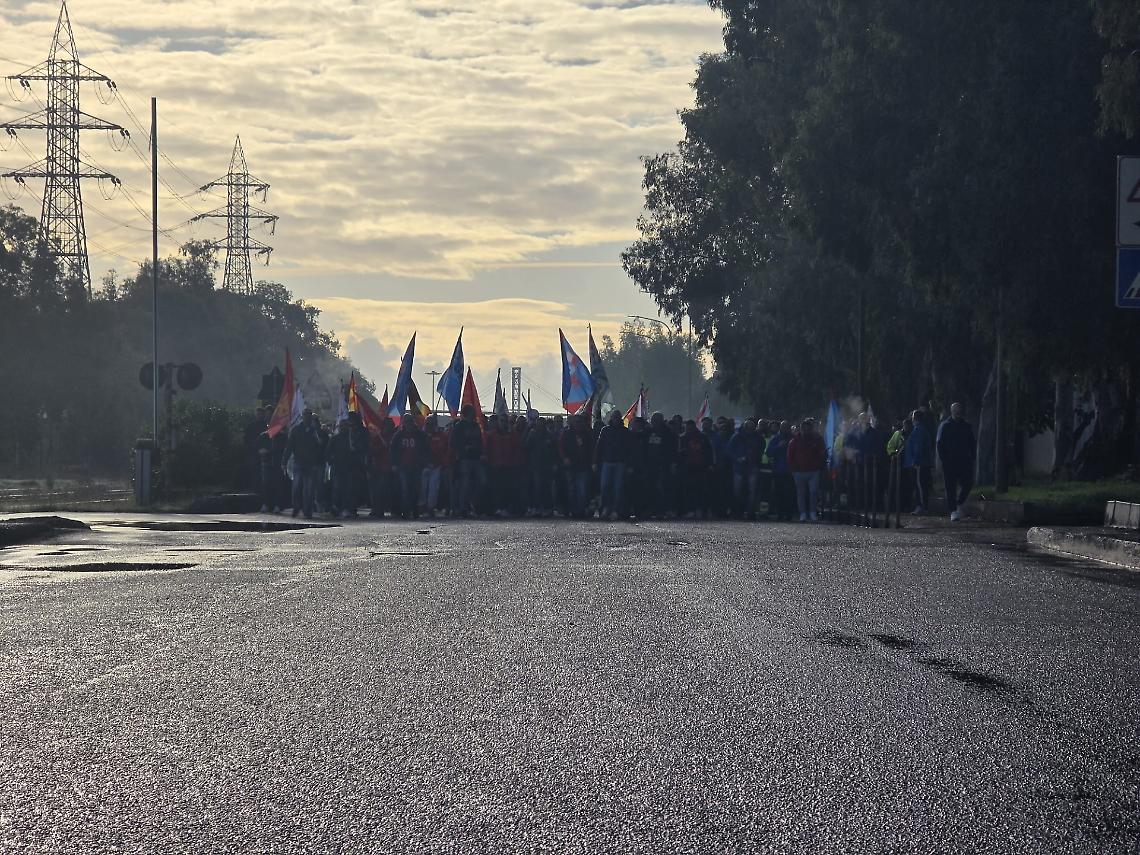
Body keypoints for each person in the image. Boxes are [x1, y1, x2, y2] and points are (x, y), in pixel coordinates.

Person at [937, 402, 976, 521]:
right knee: (950, 486)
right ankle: (953, 510)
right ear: (952, 411)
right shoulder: (945, 426)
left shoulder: (966, 426)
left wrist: (973, 457)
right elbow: (939, 443)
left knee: (968, 482)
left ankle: (959, 503)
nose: (958, 413)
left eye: (959, 411)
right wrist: (944, 458)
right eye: (955, 411)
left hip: (964, 460)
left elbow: (972, 442)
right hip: (949, 461)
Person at [285, 409, 324, 519]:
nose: (307, 417)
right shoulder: (296, 430)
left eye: (309, 415)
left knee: (309, 489)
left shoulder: (314, 431)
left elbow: (320, 446)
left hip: (311, 464)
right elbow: (289, 446)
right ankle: (296, 507)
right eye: (305, 415)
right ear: (302, 416)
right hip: (299, 462)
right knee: (296, 487)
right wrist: (284, 461)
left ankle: (307, 510)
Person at [390, 414, 429, 518]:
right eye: (407, 422)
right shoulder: (399, 436)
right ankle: (406, 510)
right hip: (403, 466)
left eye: (410, 422)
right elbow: (393, 450)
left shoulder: (420, 435)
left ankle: (415, 509)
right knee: (405, 488)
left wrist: (424, 463)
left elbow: (425, 450)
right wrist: (394, 464)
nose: (409, 424)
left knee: (416, 488)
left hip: (416, 465)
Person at [788, 418, 826, 522]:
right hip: (799, 471)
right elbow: (790, 456)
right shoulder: (794, 441)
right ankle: (803, 513)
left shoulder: (817, 439)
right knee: (801, 493)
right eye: (803, 427)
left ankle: (813, 512)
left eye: (807, 427)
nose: (805, 429)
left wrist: (818, 465)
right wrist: (794, 468)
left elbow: (822, 453)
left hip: (813, 471)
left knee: (813, 493)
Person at [594, 409, 629, 520]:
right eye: (614, 417)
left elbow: (629, 449)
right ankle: (605, 508)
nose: (616, 419)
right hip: (607, 462)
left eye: (617, 417)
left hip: (620, 463)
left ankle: (615, 510)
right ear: (611, 418)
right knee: (604, 487)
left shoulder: (625, 432)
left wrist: (628, 463)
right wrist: (595, 462)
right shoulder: (605, 430)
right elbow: (599, 447)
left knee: (617, 488)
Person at [450, 405, 484, 518]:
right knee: (465, 483)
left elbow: (480, 440)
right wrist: (463, 448)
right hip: (464, 458)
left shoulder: (475, 426)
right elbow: (454, 442)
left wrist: (480, 451)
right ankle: (462, 508)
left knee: (480, 482)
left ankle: (474, 505)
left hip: (476, 458)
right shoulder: (459, 426)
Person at [559, 413, 595, 518]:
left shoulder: (587, 434)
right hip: (571, 466)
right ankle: (574, 510)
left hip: (584, 466)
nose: (578, 424)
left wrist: (592, 462)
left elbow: (592, 449)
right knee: (572, 489)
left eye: (580, 422)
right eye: (576, 422)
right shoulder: (566, 434)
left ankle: (581, 509)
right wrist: (565, 458)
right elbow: (560, 447)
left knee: (582, 490)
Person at [728, 418, 763, 520]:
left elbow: (761, 448)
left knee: (752, 491)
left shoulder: (757, 437)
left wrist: (755, 457)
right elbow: (730, 450)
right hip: (739, 467)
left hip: (752, 466)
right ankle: (737, 511)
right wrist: (738, 458)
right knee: (737, 490)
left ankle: (750, 512)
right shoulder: (737, 436)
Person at [644, 412, 677, 519]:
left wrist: (671, 463)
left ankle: (662, 510)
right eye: (653, 420)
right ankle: (651, 509)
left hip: (663, 464)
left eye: (656, 420)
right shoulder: (648, 431)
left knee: (662, 488)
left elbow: (671, 449)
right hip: (650, 464)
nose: (654, 422)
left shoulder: (667, 432)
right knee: (650, 487)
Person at [679, 419, 713, 518]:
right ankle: (691, 509)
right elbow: (678, 453)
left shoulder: (703, 437)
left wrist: (710, 464)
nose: (689, 429)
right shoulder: (682, 438)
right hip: (688, 467)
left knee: (701, 489)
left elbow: (708, 452)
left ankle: (701, 509)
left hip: (701, 467)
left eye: (690, 427)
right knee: (688, 490)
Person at [905, 409, 934, 515]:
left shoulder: (919, 430)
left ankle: (922, 506)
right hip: (920, 462)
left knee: (920, 485)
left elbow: (918, 447)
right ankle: (921, 506)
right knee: (920, 485)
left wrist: (916, 461)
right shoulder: (919, 430)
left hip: (919, 463)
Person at [765, 420, 794, 521]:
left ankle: (789, 513)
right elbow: (768, 452)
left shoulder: (793, 439)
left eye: (787, 427)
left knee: (789, 493)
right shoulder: (776, 439)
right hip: (778, 470)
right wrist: (778, 447)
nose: (785, 429)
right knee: (779, 492)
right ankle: (780, 513)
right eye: (783, 427)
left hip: (790, 470)